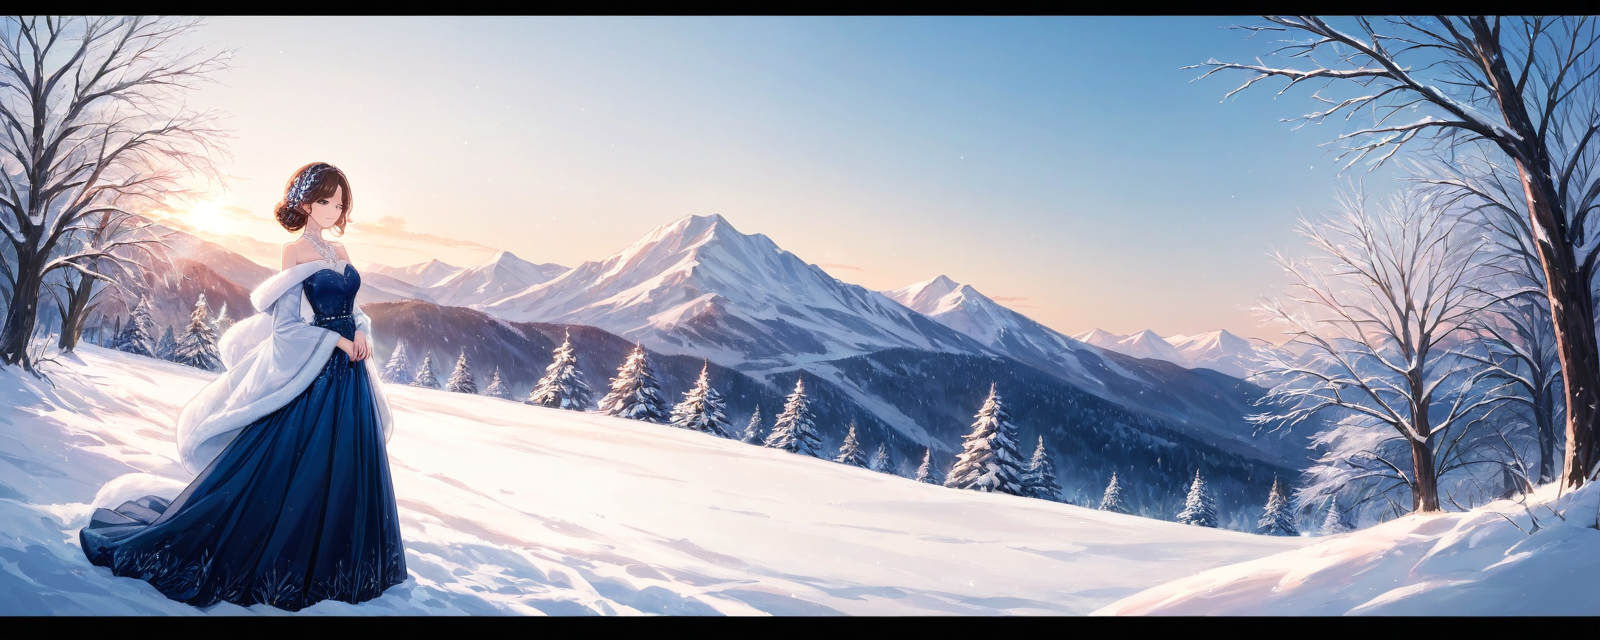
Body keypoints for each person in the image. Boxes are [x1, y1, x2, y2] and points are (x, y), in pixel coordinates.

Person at [80, 162, 405, 611]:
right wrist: (337, 339)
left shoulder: (341, 248)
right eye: (325, 201)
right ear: (305, 203)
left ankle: (343, 566)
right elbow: (286, 325)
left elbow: (354, 307)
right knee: (295, 469)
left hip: (350, 375)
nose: (333, 210)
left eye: (339, 203)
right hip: (320, 369)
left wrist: (363, 331)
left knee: (348, 466)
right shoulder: (293, 252)